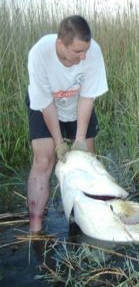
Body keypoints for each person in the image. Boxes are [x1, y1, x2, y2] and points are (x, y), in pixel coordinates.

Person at [25, 15, 108, 233]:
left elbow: (87, 97)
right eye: (77, 52)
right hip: (47, 105)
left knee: (87, 158)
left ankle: (86, 219)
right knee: (43, 160)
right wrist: (59, 142)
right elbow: (46, 105)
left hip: (77, 102)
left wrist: (79, 139)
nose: (83, 57)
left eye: (85, 51)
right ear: (60, 43)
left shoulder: (93, 52)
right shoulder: (39, 54)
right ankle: (35, 226)